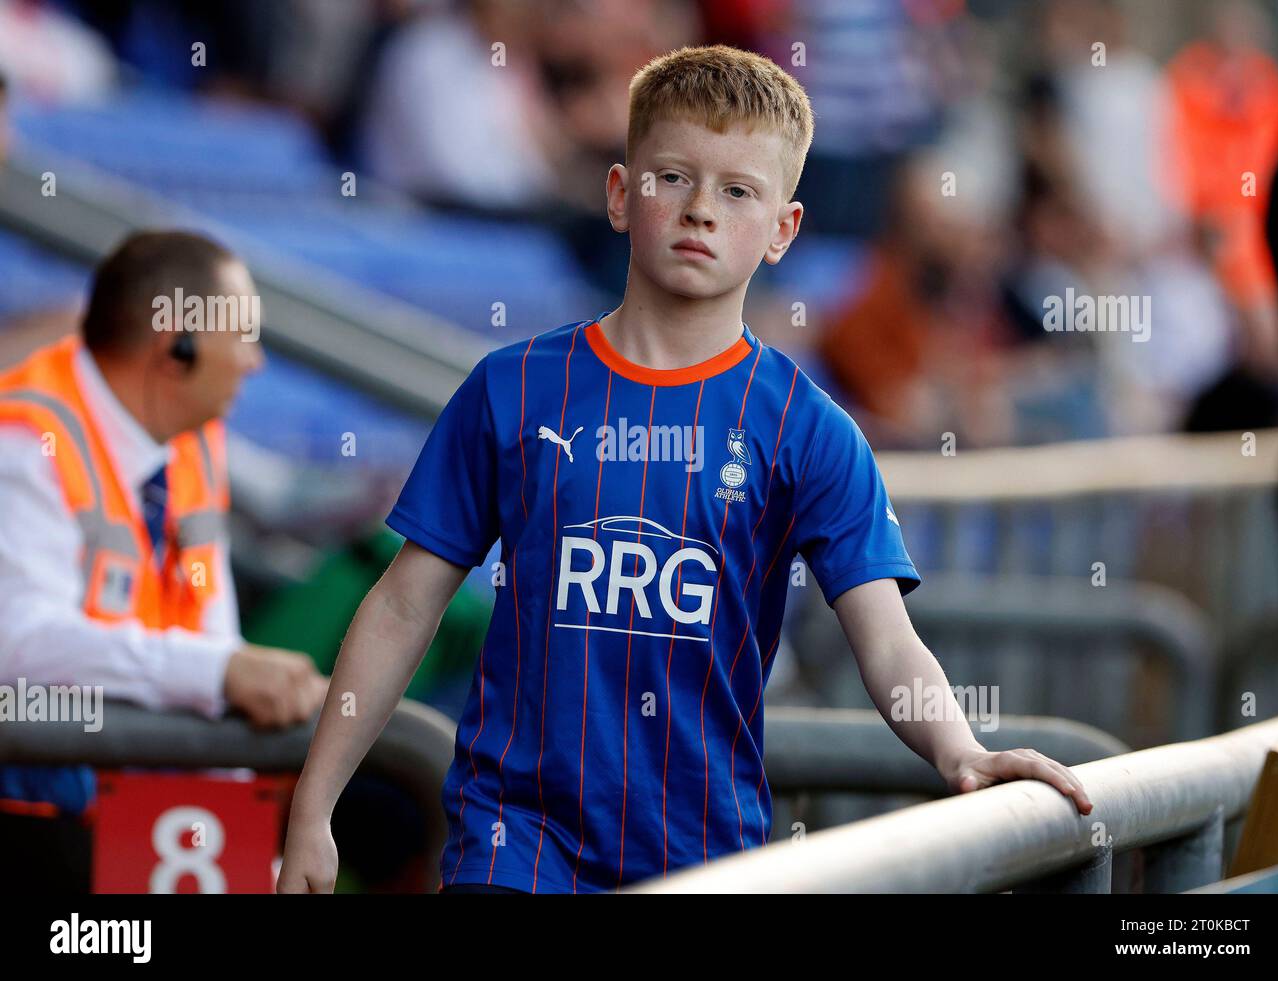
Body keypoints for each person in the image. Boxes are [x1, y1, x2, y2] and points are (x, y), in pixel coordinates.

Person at [277, 45, 1091, 895]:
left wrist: (961, 747)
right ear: (622, 195)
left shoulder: (809, 430)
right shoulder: (510, 389)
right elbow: (404, 603)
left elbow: (887, 640)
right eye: (673, 176)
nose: (702, 209)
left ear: (783, 230)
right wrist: (313, 806)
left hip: (705, 853)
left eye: (739, 190)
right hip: (510, 843)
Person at [0, 231, 328, 892]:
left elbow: (212, 645)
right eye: (242, 336)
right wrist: (217, 671)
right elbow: (16, 644)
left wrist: (241, 856)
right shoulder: (25, 442)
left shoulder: (193, 443)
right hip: (34, 801)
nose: (256, 362)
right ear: (178, 343)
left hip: (137, 786)